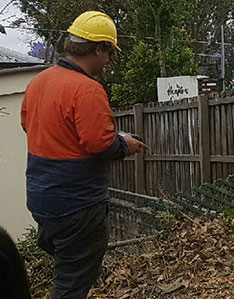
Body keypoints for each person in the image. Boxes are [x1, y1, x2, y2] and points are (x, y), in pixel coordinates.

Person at [20, 11, 147, 299]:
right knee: (72, 284)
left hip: (42, 199)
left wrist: (113, 138)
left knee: (68, 271)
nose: (108, 61)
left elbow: (30, 124)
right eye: (109, 53)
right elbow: (98, 144)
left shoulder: (39, 82)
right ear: (99, 48)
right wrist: (125, 145)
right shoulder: (87, 89)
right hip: (76, 204)